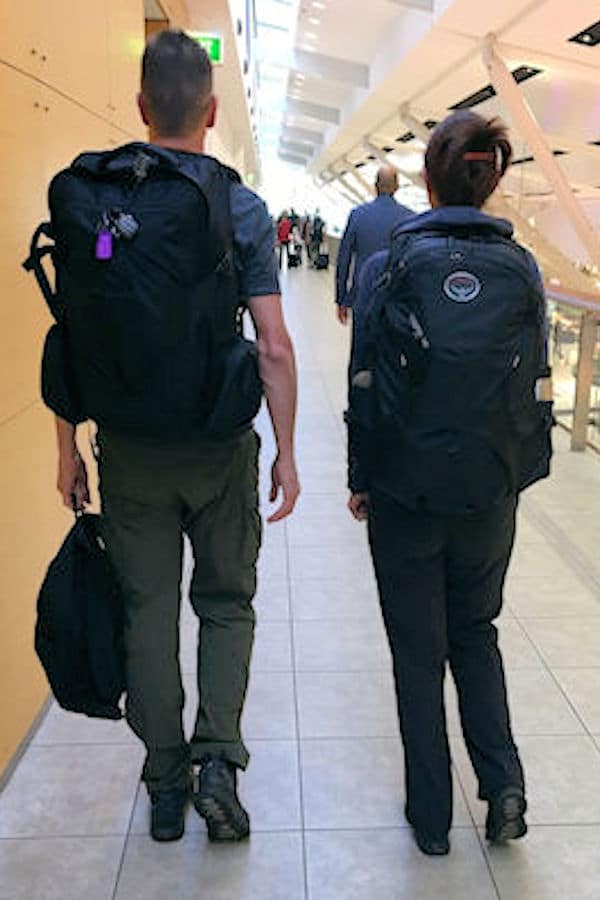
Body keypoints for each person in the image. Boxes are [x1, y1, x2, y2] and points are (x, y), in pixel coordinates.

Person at [54, 31, 300, 844]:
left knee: (146, 612)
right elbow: (271, 343)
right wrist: (288, 453)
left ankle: (164, 781)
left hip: (127, 452)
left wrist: (67, 449)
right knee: (226, 602)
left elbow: (74, 332)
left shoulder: (99, 204)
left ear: (139, 108)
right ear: (212, 110)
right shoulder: (240, 206)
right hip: (219, 446)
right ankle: (219, 763)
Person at [348, 111, 551, 856]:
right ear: (487, 181)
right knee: (477, 634)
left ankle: (431, 820)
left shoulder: (386, 267)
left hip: (404, 491)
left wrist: (361, 477)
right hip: (489, 490)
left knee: (416, 653)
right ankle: (504, 789)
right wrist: (517, 475)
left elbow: (364, 380)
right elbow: (535, 383)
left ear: (427, 182)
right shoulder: (522, 266)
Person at [335, 166, 412, 376]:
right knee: (392, 355)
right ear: (396, 187)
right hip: (396, 301)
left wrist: (342, 299)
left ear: (375, 186)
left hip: (363, 296)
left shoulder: (358, 215)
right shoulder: (410, 219)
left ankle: (356, 404)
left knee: (359, 354)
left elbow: (344, 259)